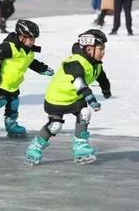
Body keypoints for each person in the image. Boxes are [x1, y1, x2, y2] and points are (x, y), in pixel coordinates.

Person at [26, 29, 111, 165]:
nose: (103, 52)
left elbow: (101, 76)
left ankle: (80, 147)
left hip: (74, 98)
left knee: (84, 113)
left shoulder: (95, 64)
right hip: (56, 98)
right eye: (101, 48)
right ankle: (35, 147)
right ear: (89, 49)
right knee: (55, 126)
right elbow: (79, 82)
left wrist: (106, 89)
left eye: (104, 49)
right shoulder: (75, 62)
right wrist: (91, 99)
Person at [0, 20, 54, 138]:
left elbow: (32, 63)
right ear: (21, 37)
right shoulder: (8, 46)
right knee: (0, 101)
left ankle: (11, 125)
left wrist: (43, 69)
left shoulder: (28, 52)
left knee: (14, 103)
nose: (33, 42)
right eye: (31, 39)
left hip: (12, 84)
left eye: (34, 39)